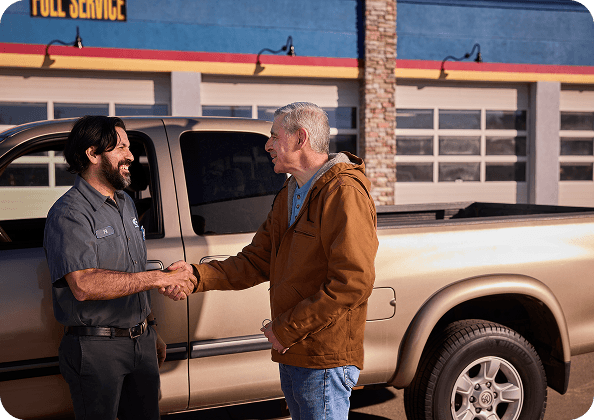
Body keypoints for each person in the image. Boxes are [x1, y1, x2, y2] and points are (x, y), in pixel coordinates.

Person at [167, 102, 379, 419]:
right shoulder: (291, 191)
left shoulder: (344, 192)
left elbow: (353, 282)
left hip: (322, 356)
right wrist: (196, 276)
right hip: (293, 350)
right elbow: (255, 261)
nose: (267, 145)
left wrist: (288, 329)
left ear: (300, 138)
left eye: (273, 135)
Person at [43, 115, 196, 420]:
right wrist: (158, 278)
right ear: (92, 154)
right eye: (121, 147)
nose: (130, 155)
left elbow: (131, 266)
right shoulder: (68, 213)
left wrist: (151, 328)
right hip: (97, 349)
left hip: (140, 341)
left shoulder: (126, 202)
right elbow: (84, 285)